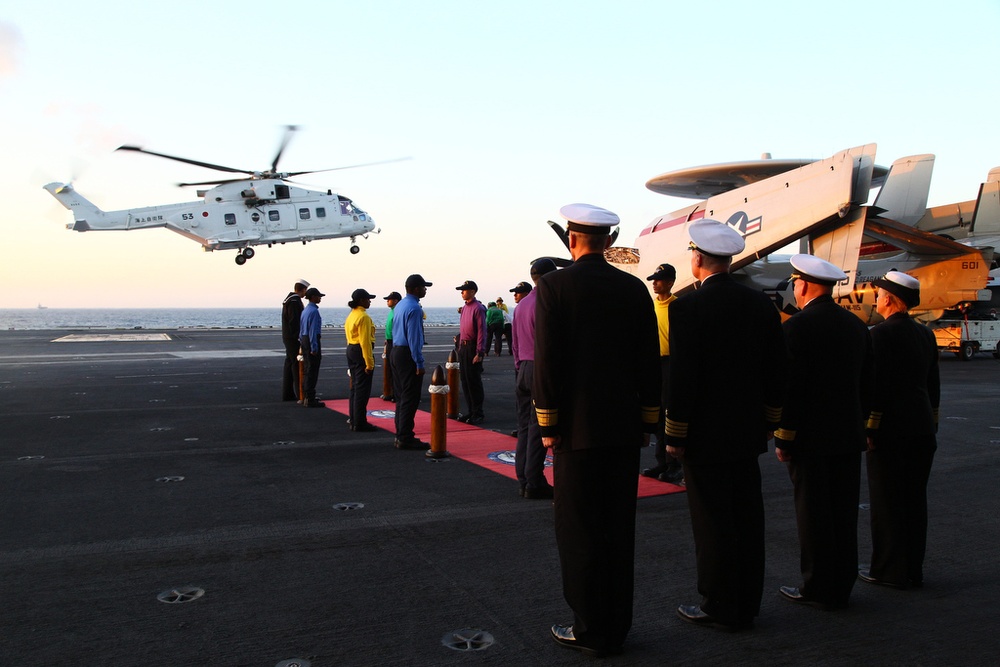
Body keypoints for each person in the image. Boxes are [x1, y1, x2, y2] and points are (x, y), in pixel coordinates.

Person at [534, 203, 660, 657]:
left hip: (575, 432)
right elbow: (648, 360)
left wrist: (548, 422)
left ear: (571, 240)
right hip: (624, 430)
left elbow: (548, 361)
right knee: (617, 529)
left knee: (580, 531)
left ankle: (590, 629)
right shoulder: (633, 288)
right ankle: (617, 625)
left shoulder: (554, 286)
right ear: (609, 241)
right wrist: (647, 421)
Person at [665, 219, 786, 632]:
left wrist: (675, 432)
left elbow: (683, 376)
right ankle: (746, 601)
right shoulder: (759, 304)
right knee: (747, 518)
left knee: (713, 521)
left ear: (697, 258)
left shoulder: (687, 306)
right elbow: (775, 370)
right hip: (748, 430)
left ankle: (719, 604)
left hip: (704, 434)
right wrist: (770, 420)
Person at [774, 255, 874, 610]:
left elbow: (793, 388)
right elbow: (867, 382)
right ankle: (842, 584)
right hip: (848, 435)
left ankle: (817, 586)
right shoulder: (855, 325)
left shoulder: (797, 327)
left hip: (811, 438)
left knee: (813, 514)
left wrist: (784, 436)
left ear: (802, 284)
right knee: (843, 513)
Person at [860, 271, 939, 589]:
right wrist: (931, 423)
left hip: (891, 431)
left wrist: (870, 428)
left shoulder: (879, 335)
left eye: (878, 294)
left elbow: (877, 388)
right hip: (921, 429)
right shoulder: (926, 335)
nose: (876, 298)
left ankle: (889, 570)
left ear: (890, 299)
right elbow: (932, 387)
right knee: (914, 502)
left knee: (888, 503)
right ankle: (912, 568)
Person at [510, 258, 558, 500]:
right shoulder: (548, 303)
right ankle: (534, 481)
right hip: (540, 368)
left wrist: (520, 368)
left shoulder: (520, 306)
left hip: (523, 369)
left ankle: (523, 479)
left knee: (524, 427)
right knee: (540, 428)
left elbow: (515, 345)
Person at [640, 263, 683, 484]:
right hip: (654, 363)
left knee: (669, 413)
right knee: (656, 414)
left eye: (659, 280)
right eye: (653, 280)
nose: (654, 284)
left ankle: (676, 464)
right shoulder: (651, 307)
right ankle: (662, 462)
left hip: (671, 363)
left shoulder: (678, 307)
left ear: (670, 282)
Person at [391, 274, 433, 450]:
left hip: (396, 351)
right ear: (416, 289)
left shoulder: (400, 304)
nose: (425, 290)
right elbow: (414, 337)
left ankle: (400, 433)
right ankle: (406, 437)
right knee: (410, 397)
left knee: (401, 397)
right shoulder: (415, 308)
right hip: (407, 353)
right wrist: (419, 362)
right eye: (423, 287)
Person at [345, 288, 379, 432]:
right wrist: (369, 363)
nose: (369, 301)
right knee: (362, 390)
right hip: (360, 351)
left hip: (351, 349)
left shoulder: (352, 315)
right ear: (360, 301)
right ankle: (360, 422)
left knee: (355, 389)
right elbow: (365, 341)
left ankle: (354, 419)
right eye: (367, 299)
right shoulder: (363, 317)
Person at [456, 280, 487, 424]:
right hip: (464, 348)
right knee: (465, 381)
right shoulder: (465, 308)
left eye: (464, 290)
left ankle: (478, 413)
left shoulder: (478, 308)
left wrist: (479, 352)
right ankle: (470, 411)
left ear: (473, 291)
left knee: (474, 382)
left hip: (473, 347)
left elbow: (482, 331)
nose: (462, 292)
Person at [281, 279, 310, 402]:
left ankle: (288, 393)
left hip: (288, 337)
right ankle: (300, 393)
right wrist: (299, 338)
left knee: (289, 364)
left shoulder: (289, 300)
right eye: (305, 291)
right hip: (293, 338)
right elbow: (294, 322)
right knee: (296, 365)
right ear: (302, 289)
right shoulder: (294, 301)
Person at [299, 286, 327, 408]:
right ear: (313, 297)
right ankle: (310, 398)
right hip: (311, 341)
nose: (320, 298)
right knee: (312, 370)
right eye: (318, 296)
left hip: (304, 341)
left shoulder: (305, 311)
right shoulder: (314, 311)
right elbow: (313, 331)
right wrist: (314, 347)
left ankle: (306, 395)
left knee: (306, 369)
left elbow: (301, 330)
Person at [381, 291, 401, 402]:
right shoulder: (391, 312)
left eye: (389, 299)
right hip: (389, 342)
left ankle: (396, 394)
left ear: (396, 301)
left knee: (395, 369)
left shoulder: (397, 312)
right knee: (389, 368)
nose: (387, 301)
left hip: (395, 342)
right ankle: (390, 392)